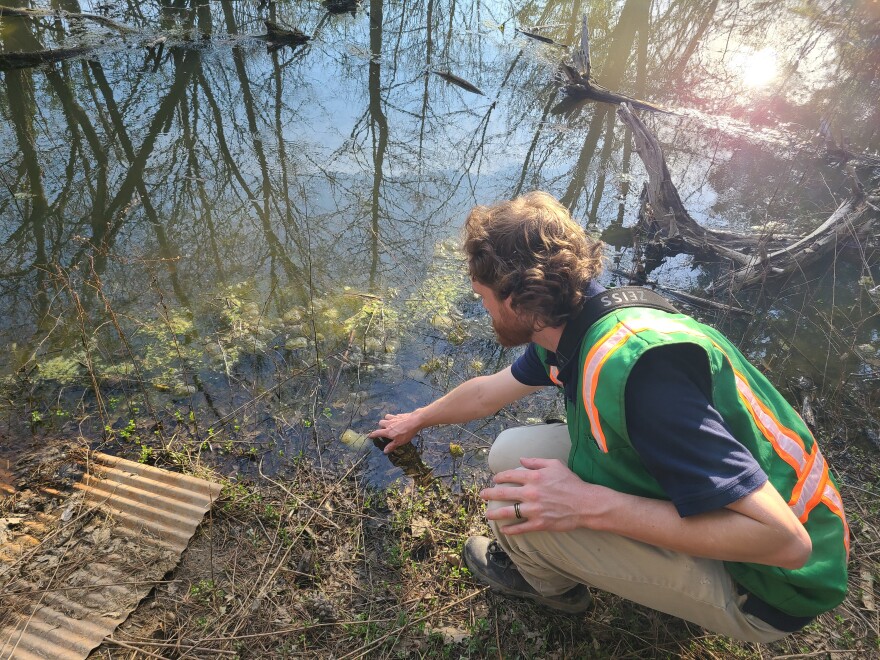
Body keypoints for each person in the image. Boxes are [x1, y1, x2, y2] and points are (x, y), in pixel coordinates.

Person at [369, 192, 849, 643]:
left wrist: (586, 505)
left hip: (773, 587)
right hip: (756, 523)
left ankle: (551, 587)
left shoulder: (639, 377)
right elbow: (486, 394)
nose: (482, 307)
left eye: (482, 296)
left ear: (515, 302)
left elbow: (787, 543)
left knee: (519, 510)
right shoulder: (579, 322)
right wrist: (417, 419)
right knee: (512, 454)